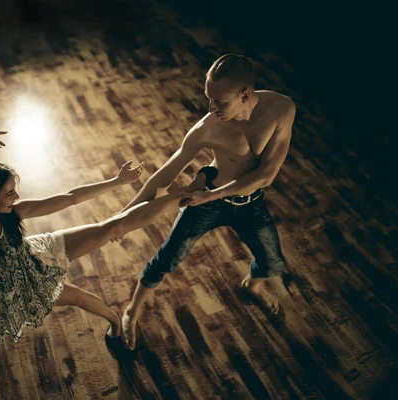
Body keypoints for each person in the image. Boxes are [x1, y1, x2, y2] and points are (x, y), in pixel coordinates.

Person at [0, 130, 188, 343]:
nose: (16, 197)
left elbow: (70, 197)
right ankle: (116, 320)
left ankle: (180, 197)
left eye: (14, 191)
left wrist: (117, 182)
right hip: (22, 290)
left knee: (113, 228)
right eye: (8, 193)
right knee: (80, 298)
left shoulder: (13, 213)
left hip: (35, 256)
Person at [118, 54, 296, 350]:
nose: (212, 109)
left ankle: (252, 285)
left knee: (272, 263)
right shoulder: (207, 128)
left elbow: (266, 175)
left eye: (220, 102)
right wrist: (121, 219)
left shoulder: (281, 108)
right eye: (208, 99)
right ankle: (131, 310)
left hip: (246, 202)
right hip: (208, 200)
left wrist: (210, 194)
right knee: (168, 258)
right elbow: (163, 177)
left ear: (245, 95)